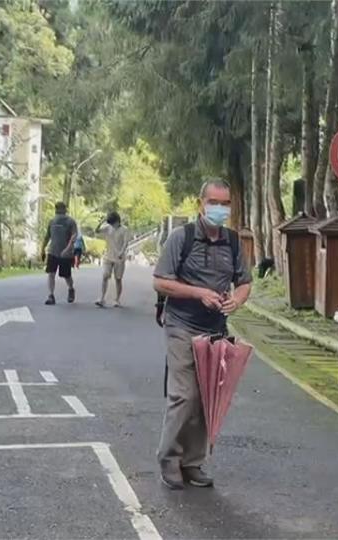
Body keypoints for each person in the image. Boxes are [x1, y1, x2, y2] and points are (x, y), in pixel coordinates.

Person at [152, 179, 252, 490]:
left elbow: (245, 281)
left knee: (208, 398)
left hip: (216, 331)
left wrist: (238, 299)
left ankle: (192, 463)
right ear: (200, 203)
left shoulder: (233, 242)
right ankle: (168, 458)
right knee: (185, 395)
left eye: (225, 204)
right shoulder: (180, 238)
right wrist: (198, 293)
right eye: (214, 202)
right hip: (182, 325)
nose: (219, 209)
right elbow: (160, 282)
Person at [41, 201, 78, 305]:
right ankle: (51, 295)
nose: (58, 212)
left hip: (66, 254)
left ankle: (71, 288)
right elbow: (47, 236)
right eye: (57, 209)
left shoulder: (70, 222)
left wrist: (68, 248)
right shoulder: (52, 221)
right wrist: (42, 249)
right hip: (53, 251)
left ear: (64, 210)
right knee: (51, 273)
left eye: (60, 209)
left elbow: (74, 236)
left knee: (66, 275)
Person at [95, 211, 130, 308]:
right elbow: (97, 231)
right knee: (105, 276)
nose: (112, 225)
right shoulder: (107, 228)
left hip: (119, 258)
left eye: (113, 223)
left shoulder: (124, 230)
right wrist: (102, 221)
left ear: (118, 221)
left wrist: (121, 252)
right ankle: (102, 298)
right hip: (108, 256)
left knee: (118, 279)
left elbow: (125, 243)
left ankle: (117, 299)